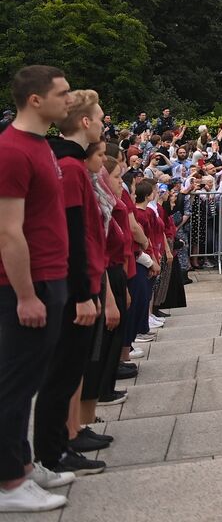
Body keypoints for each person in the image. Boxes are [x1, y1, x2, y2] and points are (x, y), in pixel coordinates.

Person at [0, 65, 79, 511]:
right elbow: (8, 231)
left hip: (50, 275)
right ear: (35, 99)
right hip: (29, 284)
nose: (69, 99)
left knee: (28, 379)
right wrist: (26, 295)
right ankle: (10, 482)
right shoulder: (12, 150)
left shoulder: (39, 145)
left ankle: (24, 466)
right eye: (62, 93)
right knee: (15, 383)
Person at [37, 89, 105, 479]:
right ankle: (53, 451)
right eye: (99, 118)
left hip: (80, 280)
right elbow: (73, 235)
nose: (102, 124)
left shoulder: (70, 163)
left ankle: (59, 444)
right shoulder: (72, 167)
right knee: (62, 375)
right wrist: (83, 293)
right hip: (75, 284)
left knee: (66, 373)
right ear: (84, 122)